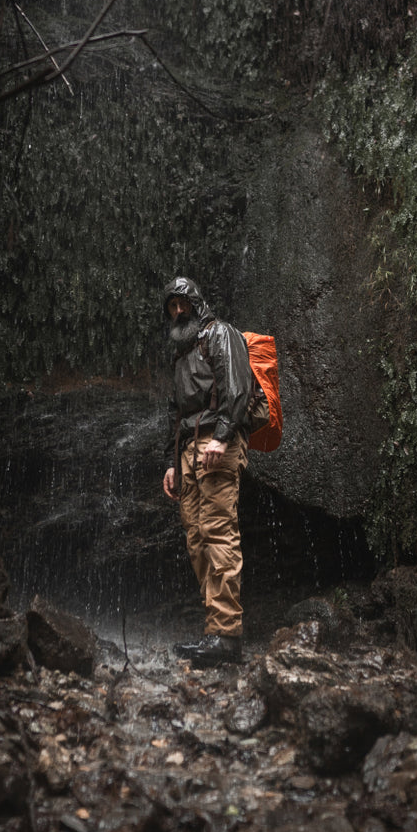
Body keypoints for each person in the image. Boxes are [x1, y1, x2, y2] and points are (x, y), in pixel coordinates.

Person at [161, 275, 260, 668]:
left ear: (197, 302)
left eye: (184, 302)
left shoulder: (219, 334)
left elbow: (237, 385)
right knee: (197, 537)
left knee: (218, 531)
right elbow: (174, 412)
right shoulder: (181, 353)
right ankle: (214, 630)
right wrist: (169, 463)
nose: (179, 309)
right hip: (187, 450)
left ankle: (227, 636)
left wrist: (222, 436)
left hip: (217, 443)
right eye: (172, 305)